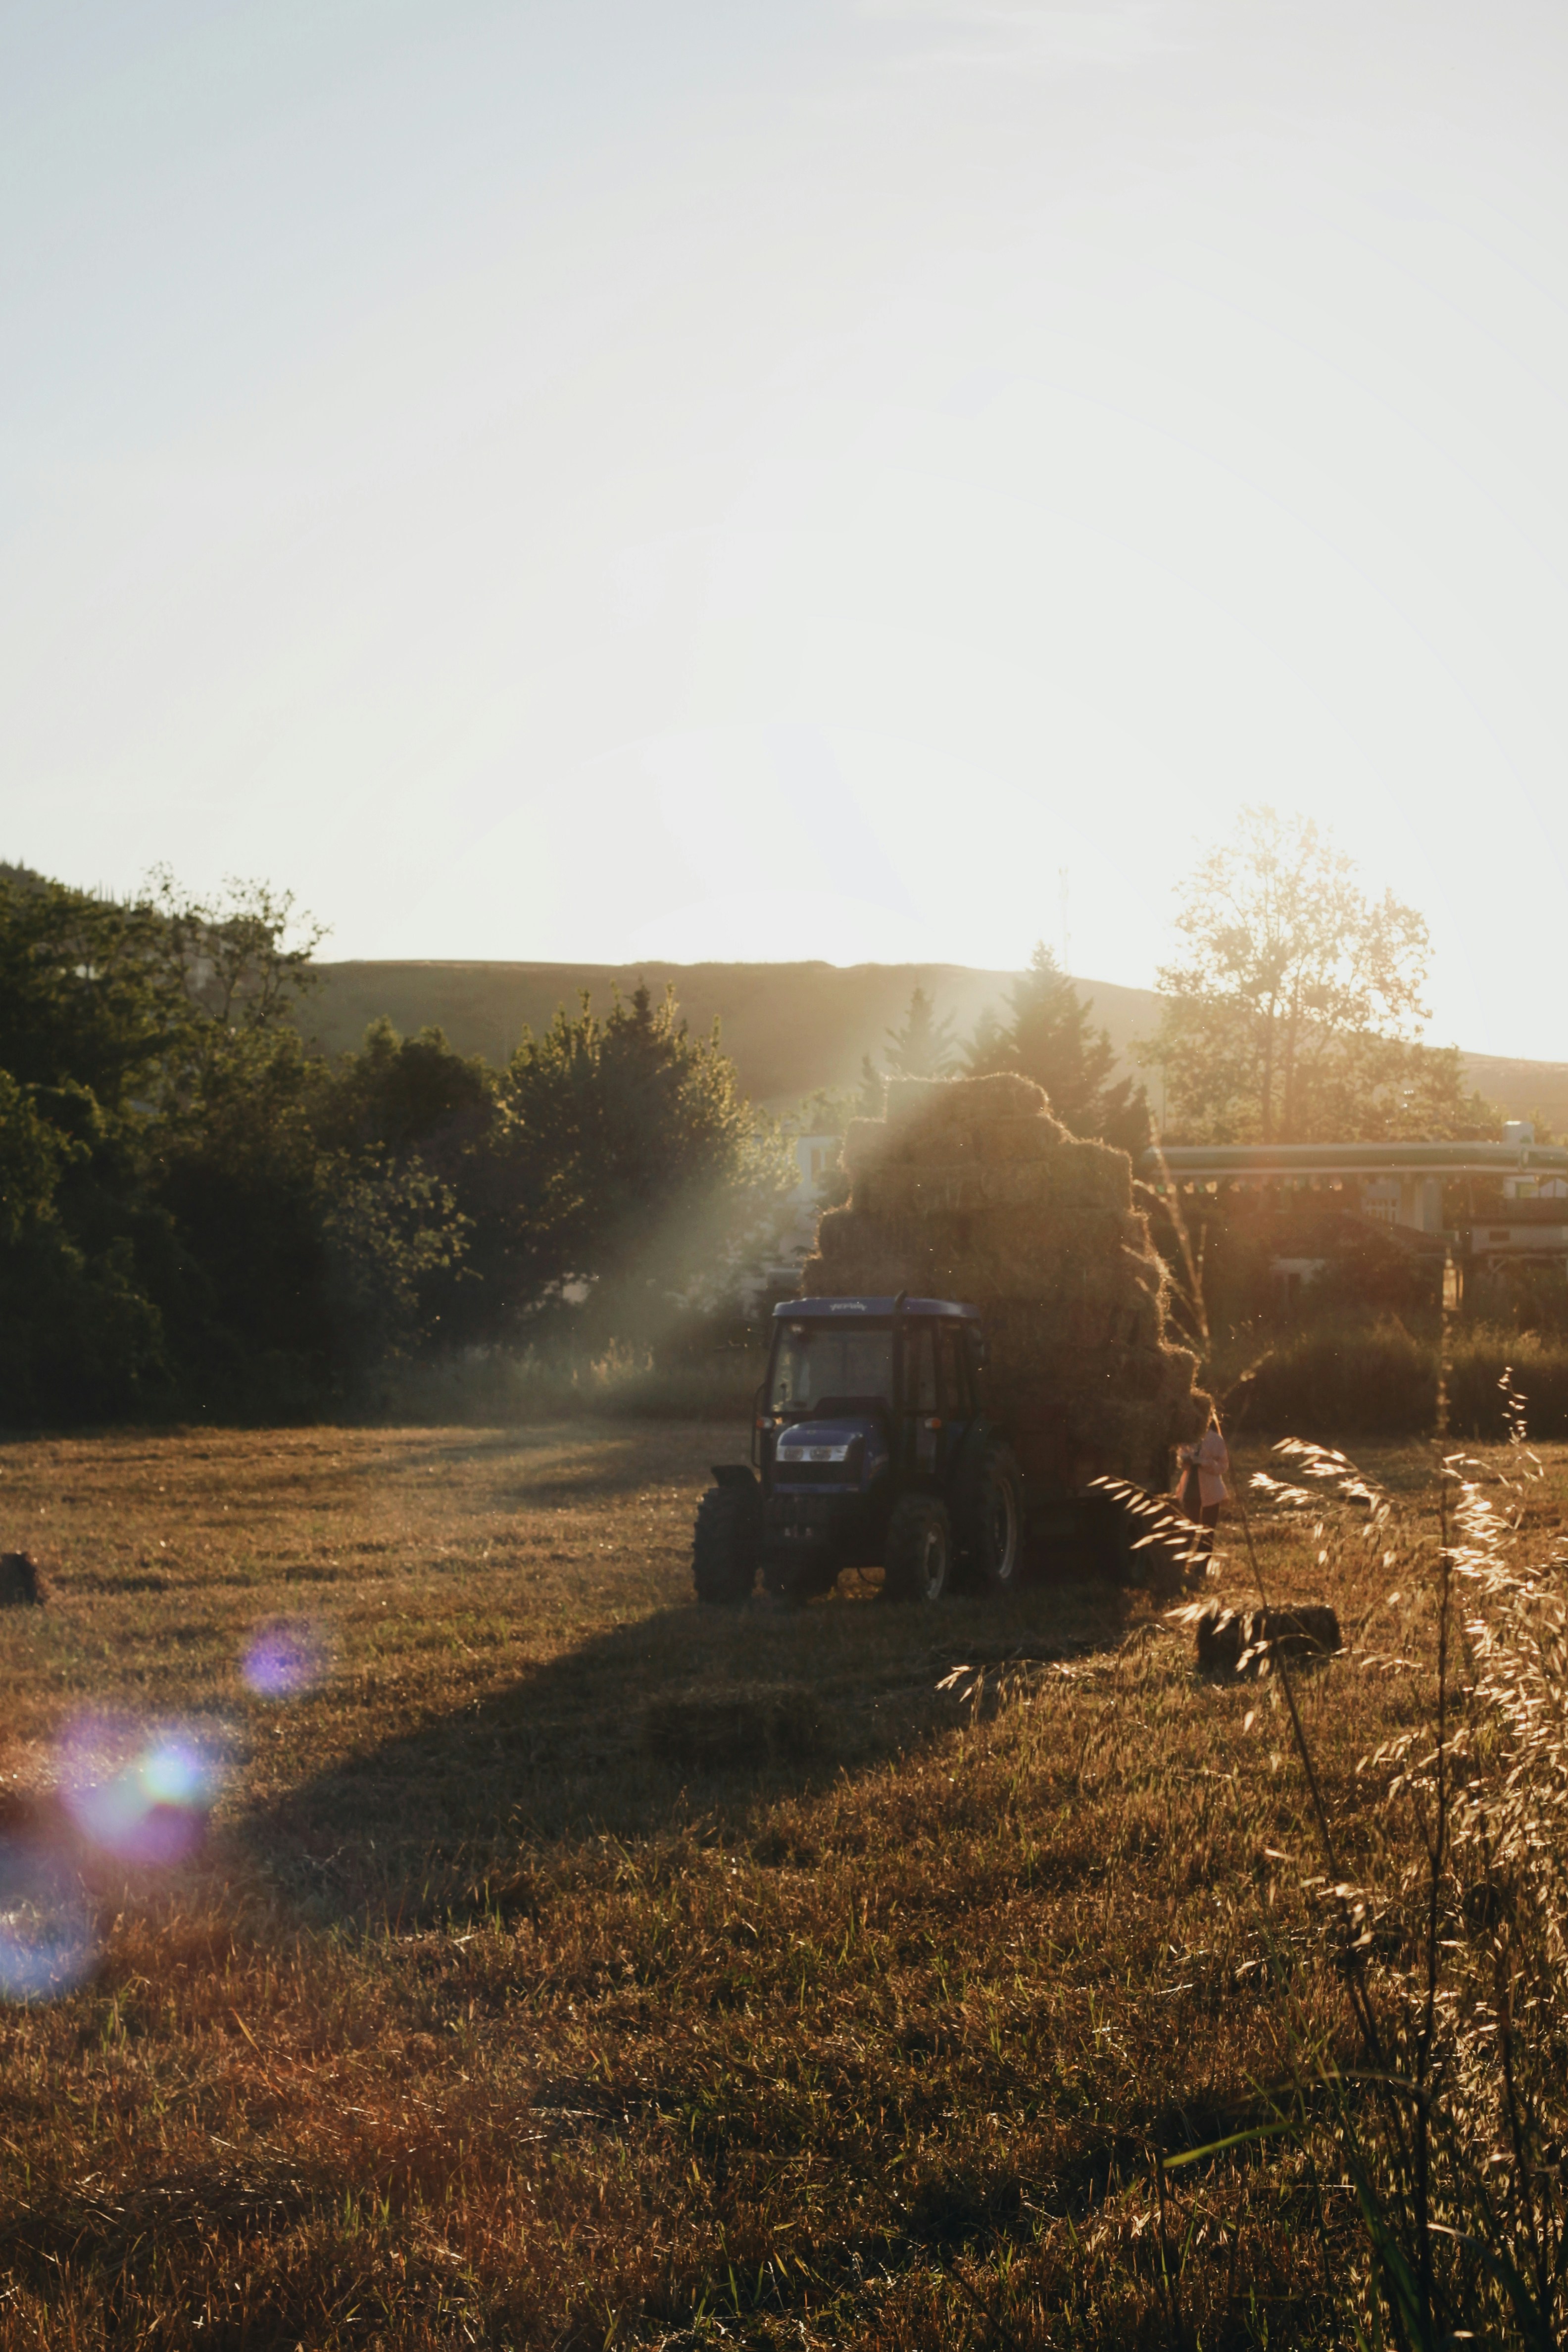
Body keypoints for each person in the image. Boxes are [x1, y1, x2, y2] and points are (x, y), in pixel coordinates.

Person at [1176, 1415, 1229, 1555]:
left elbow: (1223, 1467)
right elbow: (1182, 1461)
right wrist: (1185, 1461)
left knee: (1207, 1531)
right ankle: (1185, 1562)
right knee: (1189, 1530)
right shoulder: (1188, 1439)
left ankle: (1203, 1564)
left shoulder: (1216, 1440)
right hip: (1190, 1490)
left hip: (1211, 1491)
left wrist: (1205, 1463)